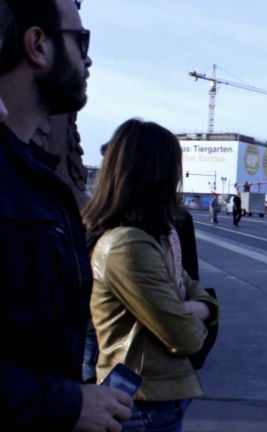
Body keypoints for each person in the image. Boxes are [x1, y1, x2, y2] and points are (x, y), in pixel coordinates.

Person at [0, 0, 134, 430]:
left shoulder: (33, 176)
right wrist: (65, 404)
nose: (88, 57)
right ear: (38, 45)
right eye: (81, 40)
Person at [81, 118, 220, 431]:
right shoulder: (129, 244)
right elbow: (184, 338)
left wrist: (200, 307)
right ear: (159, 172)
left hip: (156, 394)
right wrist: (197, 317)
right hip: (141, 402)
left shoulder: (157, 234)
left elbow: (192, 285)